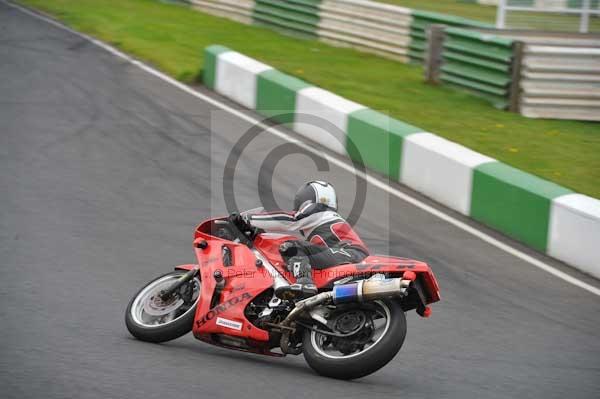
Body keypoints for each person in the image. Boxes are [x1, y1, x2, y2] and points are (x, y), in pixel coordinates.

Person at [232, 181, 369, 299]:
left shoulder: (319, 209)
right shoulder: (326, 218)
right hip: (348, 255)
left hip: (350, 253)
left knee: (291, 247)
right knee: (293, 261)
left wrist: (248, 219)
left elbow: (290, 220)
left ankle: (304, 282)